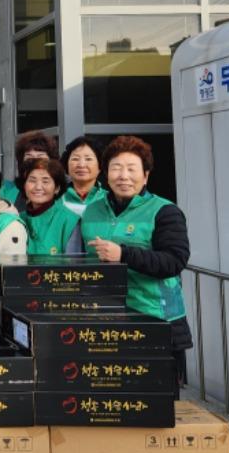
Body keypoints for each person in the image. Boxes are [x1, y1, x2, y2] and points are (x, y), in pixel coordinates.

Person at [82, 135, 192, 384]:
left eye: (132, 169)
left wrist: (123, 254)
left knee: (155, 396)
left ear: (146, 176)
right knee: (113, 393)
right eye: (116, 168)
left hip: (156, 318)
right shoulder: (92, 210)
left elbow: (175, 261)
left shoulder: (165, 211)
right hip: (106, 320)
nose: (123, 176)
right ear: (106, 174)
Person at [18, 158, 83, 255]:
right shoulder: (17, 219)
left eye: (45, 181)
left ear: (57, 188)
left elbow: (73, 261)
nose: (38, 187)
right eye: (32, 181)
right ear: (24, 186)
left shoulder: (69, 220)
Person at [0, 130, 59, 207]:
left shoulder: (64, 194)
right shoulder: (6, 191)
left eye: (40, 157)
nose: (34, 162)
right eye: (29, 158)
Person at [60, 136, 106, 216]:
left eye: (88, 159)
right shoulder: (57, 199)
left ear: (100, 166)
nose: (81, 165)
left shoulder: (110, 199)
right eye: (75, 159)